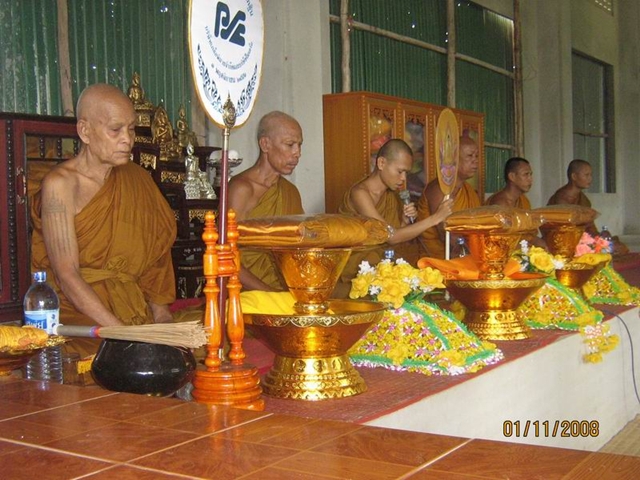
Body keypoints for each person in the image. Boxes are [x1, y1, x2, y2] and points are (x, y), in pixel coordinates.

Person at [30, 83, 177, 357]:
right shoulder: (61, 186)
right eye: (115, 130)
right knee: (105, 358)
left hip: (131, 308)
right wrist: (122, 334)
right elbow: (67, 276)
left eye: (131, 129)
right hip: (79, 312)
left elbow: (156, 261)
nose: (127, 139)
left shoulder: (138, 180)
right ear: (85, 131)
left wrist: (162, 319)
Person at [335, 139, 453, 297]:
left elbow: (393, 236)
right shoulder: (360, 194)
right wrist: (435, 218)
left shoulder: (391, 196)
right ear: (381, 163)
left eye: (406, 173)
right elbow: (390, 236)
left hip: (380, 262)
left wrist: (403, 221)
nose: (403, 178)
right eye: (400, 171)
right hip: (355, 266)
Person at [228, 111, 304, 291]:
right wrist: (270, 293)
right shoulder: (242, 189)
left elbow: (300, 246)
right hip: (247, 291)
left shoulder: (290, 191)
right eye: (290, 145)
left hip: (287, 288)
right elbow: (225, 255)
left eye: (300, 145)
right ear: (265, 144)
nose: (297, 153)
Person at [416, 135, 482, 258]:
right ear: (453, 160)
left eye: (476, 156)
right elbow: (446, 235)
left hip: (465, 257)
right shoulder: (439, 189)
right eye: (469, 156)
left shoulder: (468, 191)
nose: (475, 161)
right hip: (435, 262)